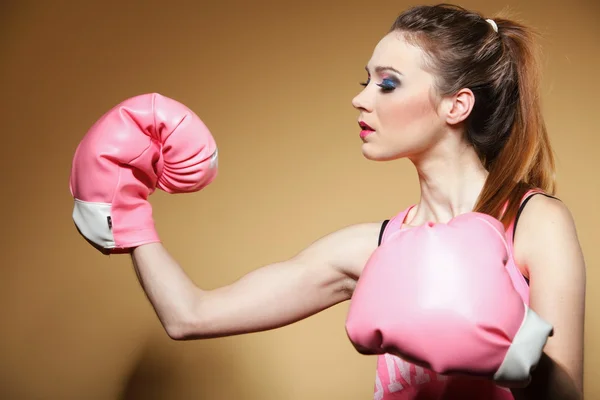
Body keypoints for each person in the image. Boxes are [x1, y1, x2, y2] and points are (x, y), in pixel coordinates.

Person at [121, 4, 585, 399]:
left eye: (387, 83)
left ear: (456, 106)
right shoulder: (371, 250)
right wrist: (123, 207)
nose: (359, 99)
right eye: (366, 80)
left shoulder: (535, 222)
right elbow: (190, 316)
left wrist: (513, 349)